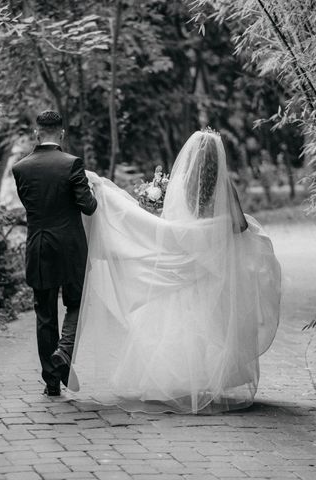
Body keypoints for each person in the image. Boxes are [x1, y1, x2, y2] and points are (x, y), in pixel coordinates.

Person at [68, 129, 281, 414]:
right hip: (210, 264)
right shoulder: (223, 184)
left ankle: (168, 381)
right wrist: (223, 230)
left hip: (184, 259)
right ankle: (205, 380)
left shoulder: (180, 183)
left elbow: (172, 223)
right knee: (209, 319)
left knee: (179, 317)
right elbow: (239, 225)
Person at [12, 110, 97, 397]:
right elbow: (88, 206)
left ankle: (51, 382)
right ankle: (64, 350)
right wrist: (92, 189)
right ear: (61, 133)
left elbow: (30, 206)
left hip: (39, 246)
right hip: (71, 248)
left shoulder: (20, 169)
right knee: (77, 303)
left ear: (37, 133)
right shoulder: (72, 164)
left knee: (44, 314)